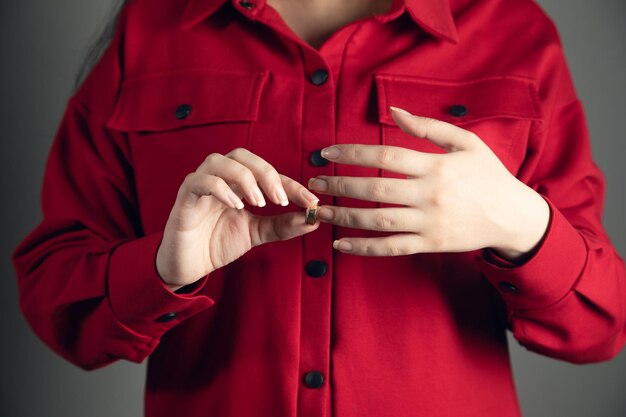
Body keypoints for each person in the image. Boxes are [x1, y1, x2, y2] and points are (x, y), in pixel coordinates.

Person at [11, 0, 626, 416]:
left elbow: (601, 329)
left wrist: (523, 227)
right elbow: (59, 306)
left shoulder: (514, 31)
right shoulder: (149, 31)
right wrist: (163, 271)